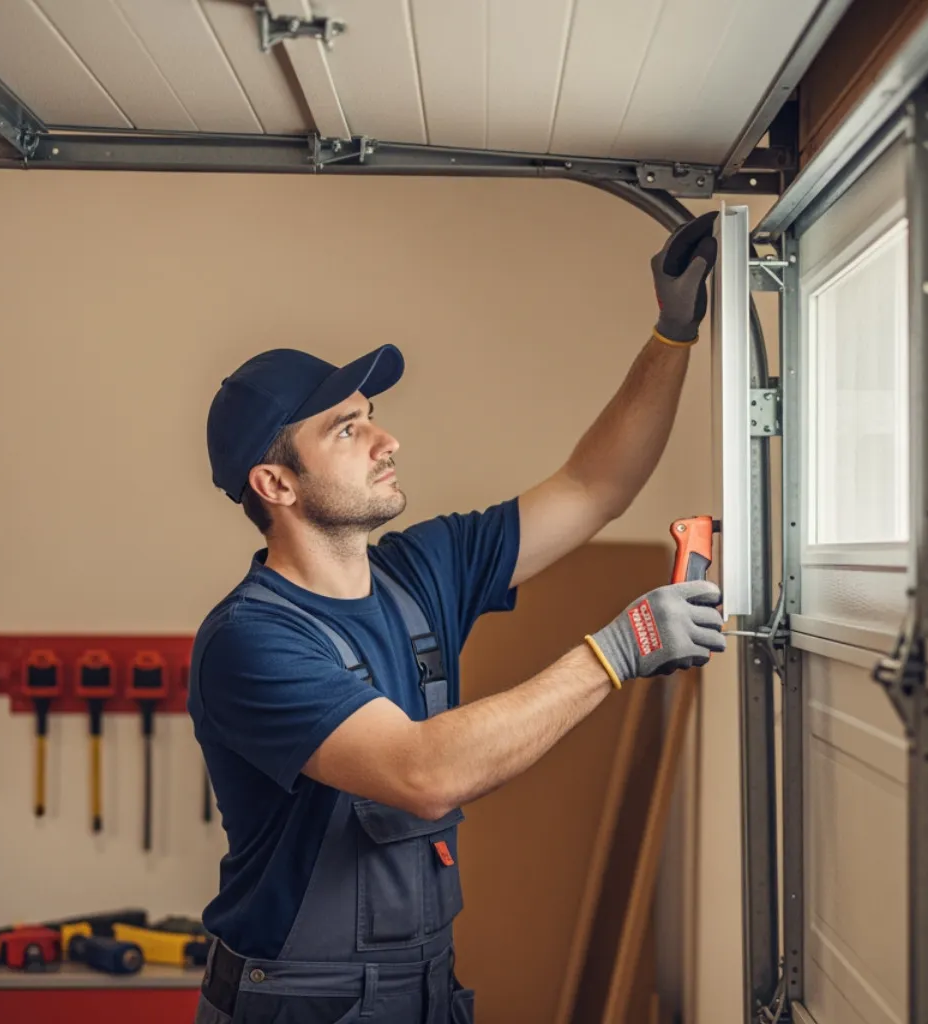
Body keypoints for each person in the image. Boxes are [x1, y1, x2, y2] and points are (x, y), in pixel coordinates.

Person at [188, 211, 729, 1024]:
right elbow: (422, 775)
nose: (386, 439)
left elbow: (593, 487)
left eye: (371, 414)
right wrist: (621, 649)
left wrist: (673, 333)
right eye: (348, 427)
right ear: (277, 485)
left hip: (427, 990)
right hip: (303, 1005)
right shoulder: (250, 641)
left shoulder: (420, 570)